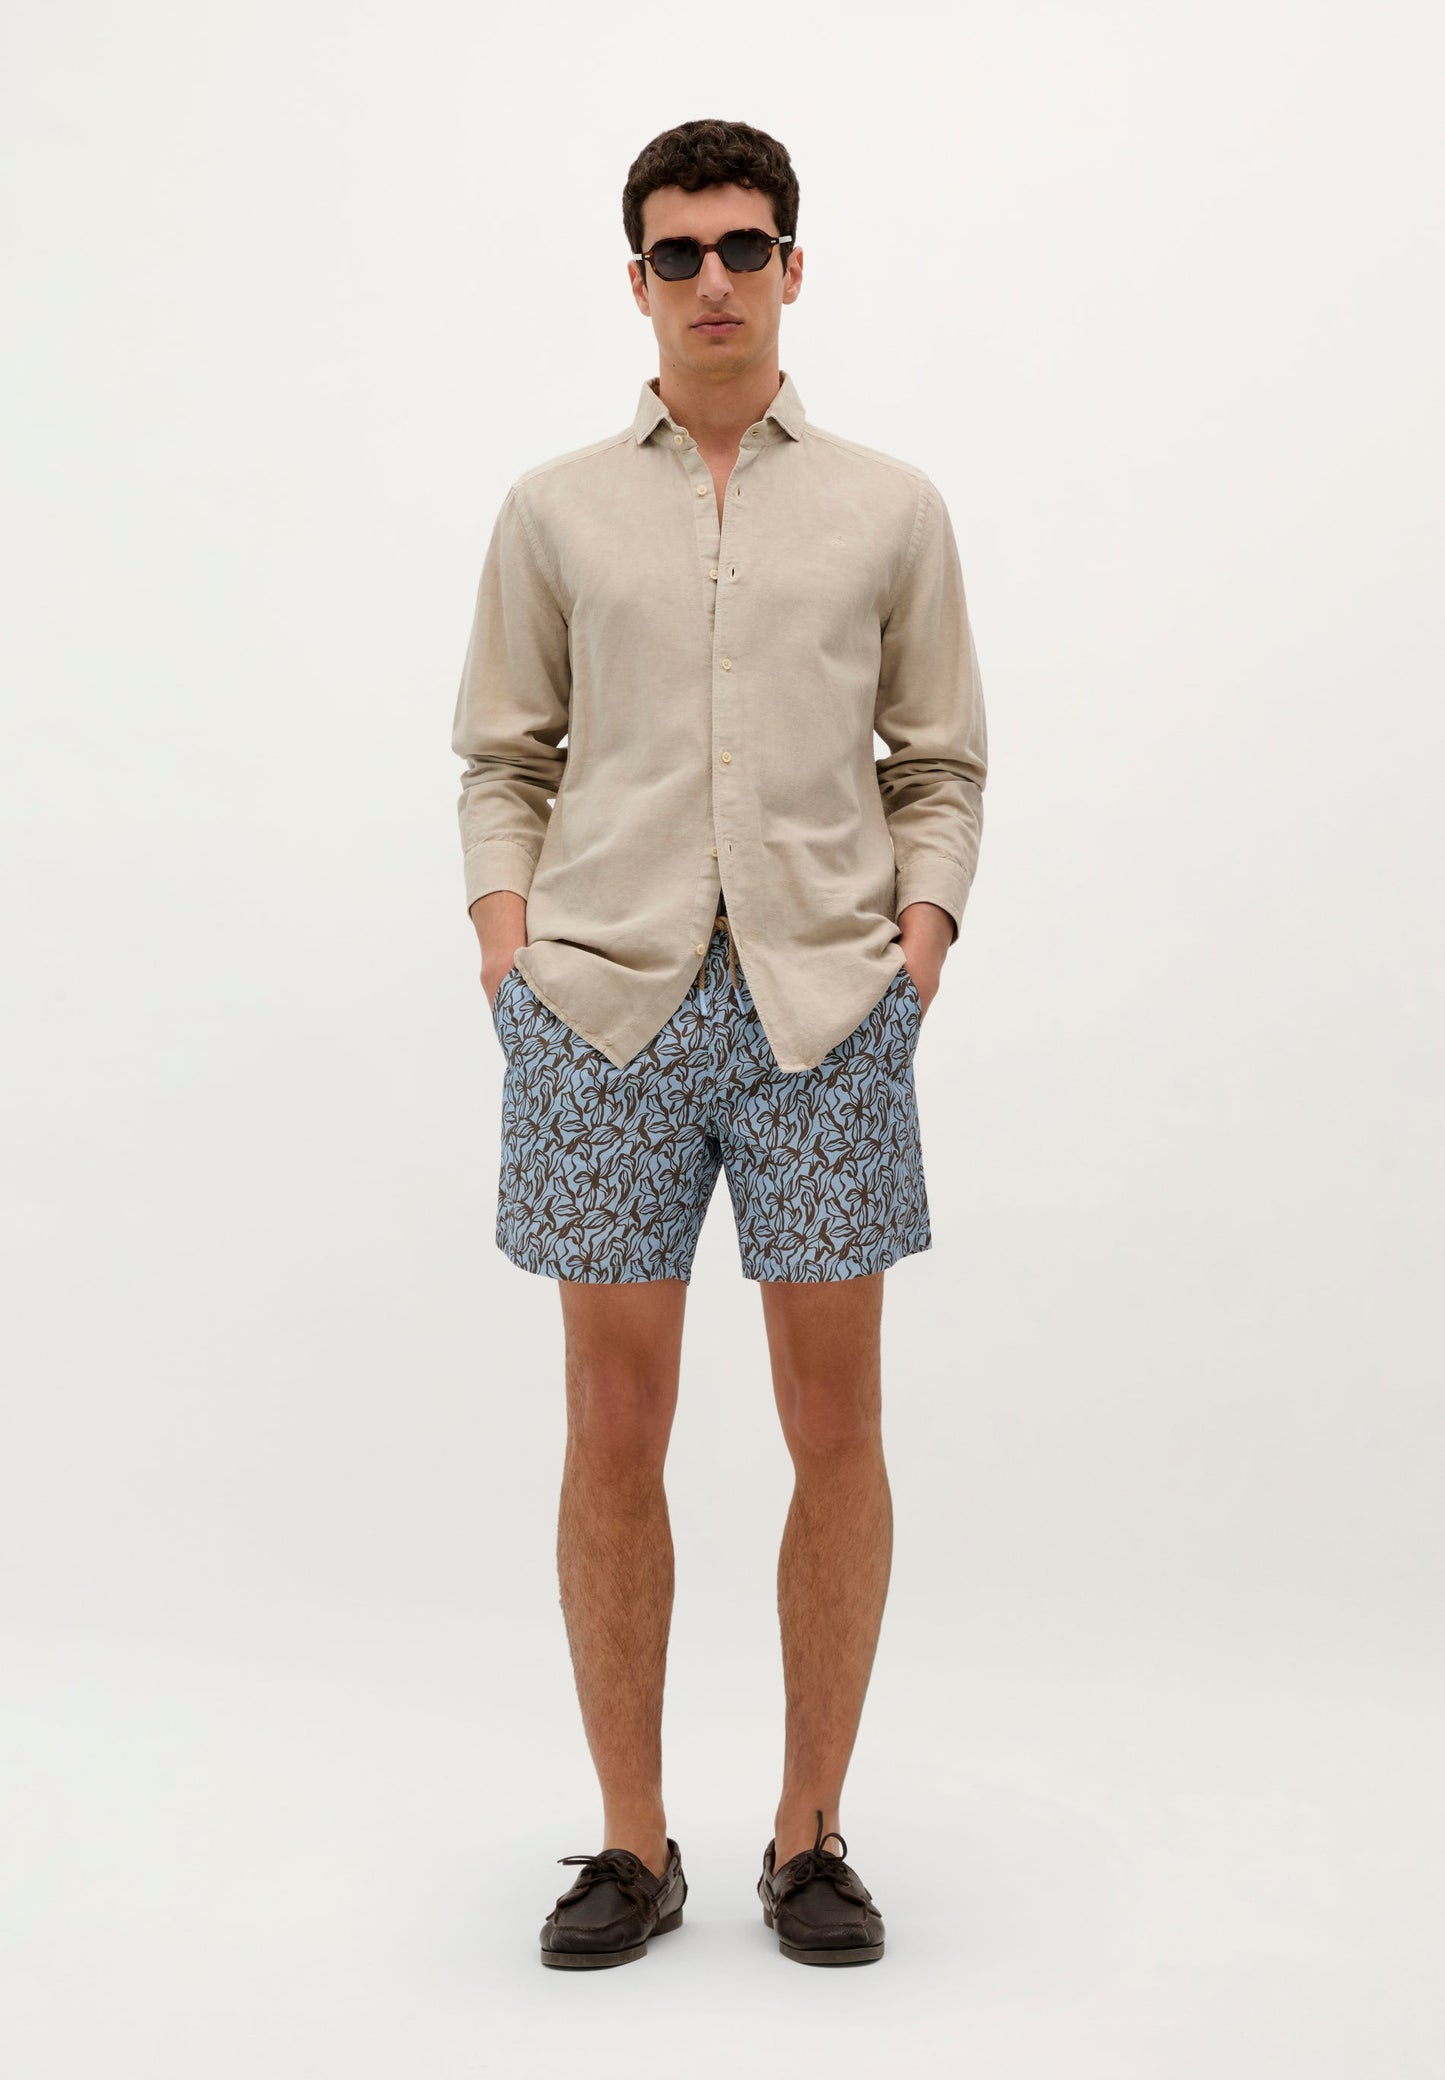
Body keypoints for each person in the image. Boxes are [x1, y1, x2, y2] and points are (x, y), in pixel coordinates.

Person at [450, 117, 988, 1969]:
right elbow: (501, 754)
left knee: (833, 1424)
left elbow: (941, 758)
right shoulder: (552, 512)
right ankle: (629, 1845)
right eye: (676, 252)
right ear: (636, 282)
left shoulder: (890, 508)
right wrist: (506, 946)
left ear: (791, 267)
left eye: (742, 246)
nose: (711, 280)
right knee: (613, 1426)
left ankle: (808, 1833)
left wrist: (919, 940)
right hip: (596, 1009)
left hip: (824, 1011)